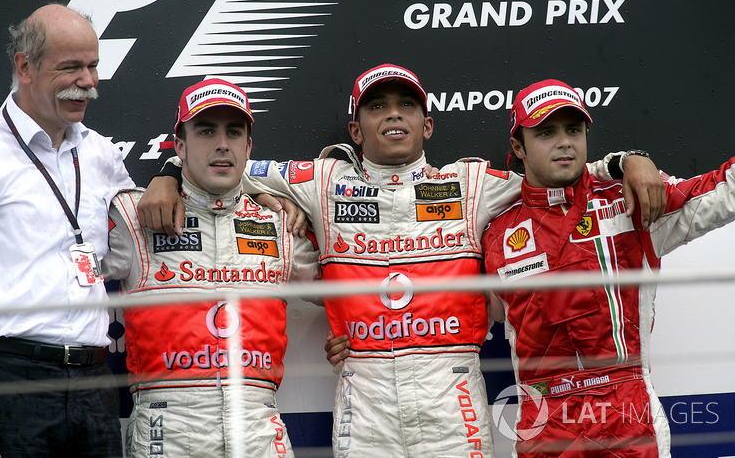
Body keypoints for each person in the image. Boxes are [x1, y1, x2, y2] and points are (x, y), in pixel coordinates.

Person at [139, 64, 664, 457]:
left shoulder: (469, 182)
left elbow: (552, 171)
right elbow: (232, 170)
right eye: (377, 106)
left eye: (405, 105)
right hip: (364, 404)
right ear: (354, 128)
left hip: (452, 397)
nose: (392, 113)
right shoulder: (323, 183)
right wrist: (166, 170)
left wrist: (624, 160)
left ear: (428, 125)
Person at [480, 79, 735, 457]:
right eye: (546, 132)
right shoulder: (496, 232)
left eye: (574, 129)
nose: (564, 142)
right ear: (518, 147)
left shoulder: (631, 200)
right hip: (546, 422)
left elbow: (722, 192)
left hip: (628, 415)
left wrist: (627, 162)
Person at [0, 4, 131, 458]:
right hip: (7, 383)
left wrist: (172, 175)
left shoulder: (102, 154)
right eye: (71, 67)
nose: (89, 81)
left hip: (95, 384)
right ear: (24, 66)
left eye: (93, 66)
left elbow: (146, 226)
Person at [102, 78, 320, 457]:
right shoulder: (134, 215)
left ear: (248, 147)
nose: (222, 143)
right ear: (180, 146)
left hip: (259, 430)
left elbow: (352, 283)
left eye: (234, 132)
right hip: (165, 433)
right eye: (206, 131)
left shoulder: (280, 223)